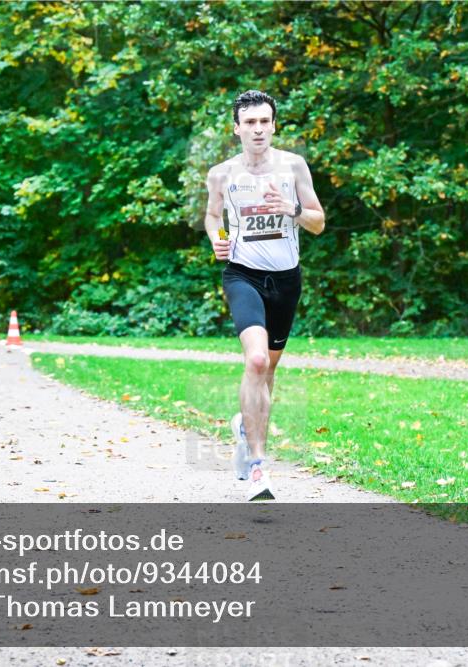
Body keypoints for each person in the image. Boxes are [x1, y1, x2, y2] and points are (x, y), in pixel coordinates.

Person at [204, 90, 325, 501]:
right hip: (243, 275)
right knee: (254, 360)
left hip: (285, 280)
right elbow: (212, 215)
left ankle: (245, 427)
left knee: (268, 372)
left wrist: (291, 209)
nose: (258, 129)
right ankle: (258, 466)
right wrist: (218, 240)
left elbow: (318, 222)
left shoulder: (293, 166)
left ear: (274, 125)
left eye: (264, 122)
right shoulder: (221, 173)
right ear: (236, 128)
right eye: (249, 122)